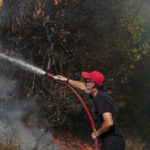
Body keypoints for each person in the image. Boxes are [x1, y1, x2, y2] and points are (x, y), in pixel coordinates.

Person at [57, 71, 125, 150]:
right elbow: (83, 86)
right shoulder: (99, 93)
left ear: (92, 84)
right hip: (112, 141)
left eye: (86, 80)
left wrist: (97, 133)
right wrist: (67, 80)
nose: (84, 82)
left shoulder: (101, 99)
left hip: (112, 142)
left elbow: (109, 122)